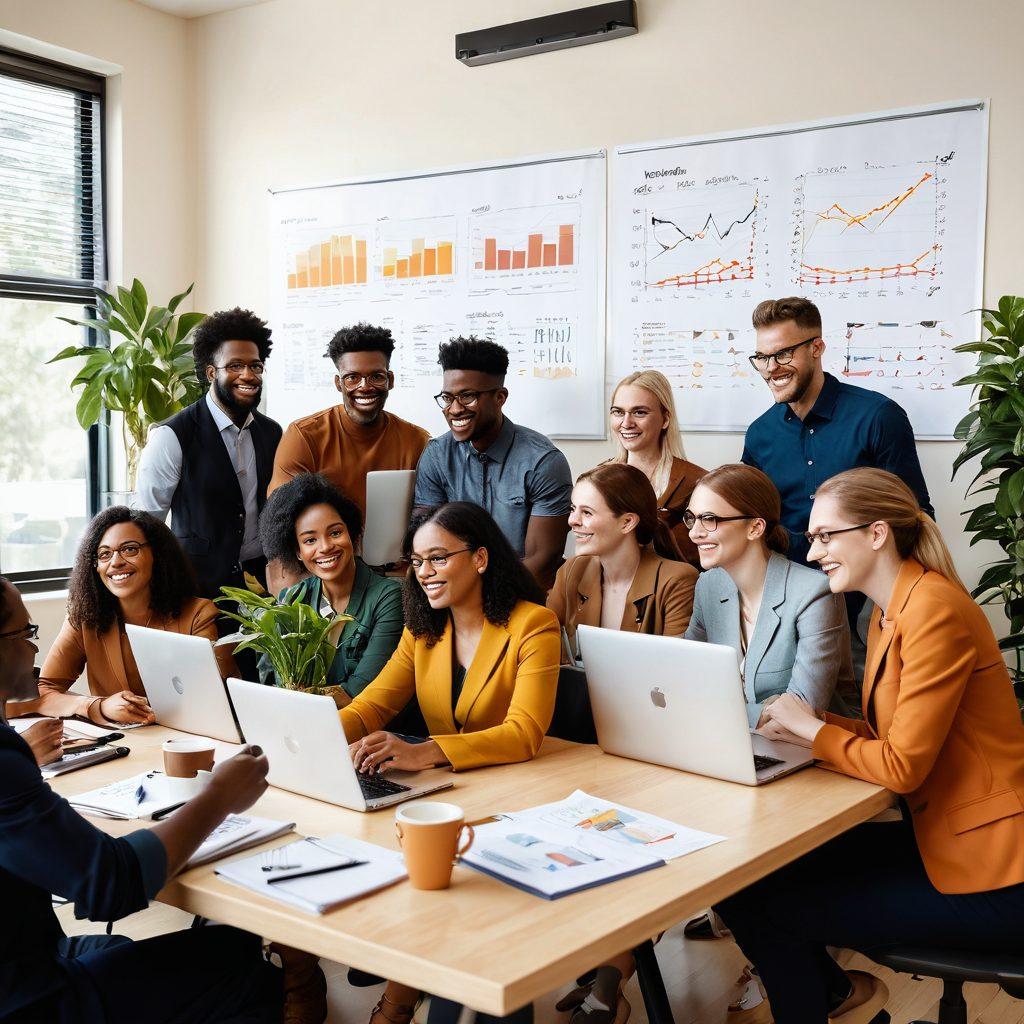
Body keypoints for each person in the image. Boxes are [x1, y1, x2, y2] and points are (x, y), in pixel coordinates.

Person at [716, 468, 1024, 1024]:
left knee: (778, 906)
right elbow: (897, 737)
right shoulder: (890, 611)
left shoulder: (933, 610)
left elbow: (902, 767)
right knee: (744, 882)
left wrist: (813, 732)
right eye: (812, 538)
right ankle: (833, 998)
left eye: (826, 536)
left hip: (997, 872)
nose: (814, 554)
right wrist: (818, 720)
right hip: (944, 840)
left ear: (877, 533)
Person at [0, 575, 284, 1023]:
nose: (34, 649)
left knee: (119, 949)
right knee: (239, 957)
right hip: (28, 998)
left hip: (23, 955)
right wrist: (218, 798)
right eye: (24, 634)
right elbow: (110, 886)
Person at [341, 501, 561, 1024]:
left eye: (438, 558)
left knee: (470, 928)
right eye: (417, 563)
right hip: (451, 798)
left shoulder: (534, 625)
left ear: (481, 558)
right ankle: (414, 987)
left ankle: (437, 997)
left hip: (518, 799)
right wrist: (307, 732)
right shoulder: (424, 629)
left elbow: (524, 733)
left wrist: (425, 752)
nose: (426, 574)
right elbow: (373, 704)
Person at [677, 464, 853, 1012]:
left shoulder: (812, 592)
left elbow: (800, 714)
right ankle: (821, 986)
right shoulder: (711, 586)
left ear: (755, 527)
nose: (695, 531)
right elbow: (686, 677)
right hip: (742, 758)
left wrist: (719, 710)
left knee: (741, 882)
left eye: (710, 519)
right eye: (690, 518)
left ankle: (810, 987)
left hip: (817, 771)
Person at [7, 506, 235, 726]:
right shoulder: (85, 617)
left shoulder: (198, 614)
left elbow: (215, 698)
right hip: (122, 744)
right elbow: (45, 690)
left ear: (158, 555)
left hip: (184, 740)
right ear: (94, 565)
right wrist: (98, 706)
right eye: (104, 554)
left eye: (129, 549)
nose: (115, 562)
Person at [136, 307, 282, 598]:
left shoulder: (273, 433)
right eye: (235, 366)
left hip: (261, 587)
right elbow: (145, 525)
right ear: (211, 373)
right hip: (195, 587)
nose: (248, 375)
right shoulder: (171, 436)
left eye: (255, 366)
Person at [412, 337, 572, 592]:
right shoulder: (437, 456)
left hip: (523, 597)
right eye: (447, 397)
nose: (454, 409)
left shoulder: (543, 462)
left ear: (500, 397)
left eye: (467, 396)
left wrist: (483, 608)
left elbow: (540, 563)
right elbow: (426, 546)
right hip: (455, 593)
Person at [258, 473, 407, 706]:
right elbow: (272, 682)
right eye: (310, 541)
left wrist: (296, 697)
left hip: (366, 730)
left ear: (351, 532)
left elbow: (360, 691)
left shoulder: (388, 597)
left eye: (335, 532)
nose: (325, 547)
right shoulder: (293, 600)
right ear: (297, 552)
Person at [548, 463, 697, 657]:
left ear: (627, 522)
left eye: (587, 512)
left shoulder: (678, 581)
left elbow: (675, 668)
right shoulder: (572, 569)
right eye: (573, 509)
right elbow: (546, 644)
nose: (572, 520)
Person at [608, 370, 706, 565]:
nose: (626, 423)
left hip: (676, 588)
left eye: (639, 412)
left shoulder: (698, 482)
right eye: (618, 412)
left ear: (665, 419)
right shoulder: (599, 478)